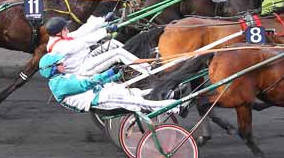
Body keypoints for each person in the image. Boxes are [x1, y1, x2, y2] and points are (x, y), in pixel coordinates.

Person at [39, 53, 180, 114]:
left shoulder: (63, 78)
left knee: (137, 93)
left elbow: (91, 83)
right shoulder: (58, 85)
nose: (63, 63)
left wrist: (114, 76)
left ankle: (167, 93)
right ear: (52, 68)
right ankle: (176, 106)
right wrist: (108, 73)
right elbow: (87, 84)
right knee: (138, 103)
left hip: (103, 93)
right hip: (101, 100)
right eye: (59, 63)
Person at [45, 14, 150, 77]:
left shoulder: (60, 38)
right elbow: (84, 41)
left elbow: (82, 32)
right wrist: (106, 30)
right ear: (58, 32)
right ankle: (148, 70)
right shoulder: (59, 46)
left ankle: (134, 61)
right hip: (82, 70)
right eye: (64, 28)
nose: (67, 30)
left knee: (113, 43)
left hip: (87, 59)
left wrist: (104, 20)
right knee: (117, 53)